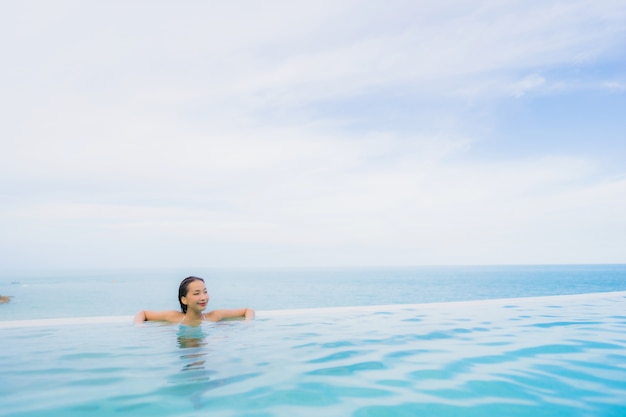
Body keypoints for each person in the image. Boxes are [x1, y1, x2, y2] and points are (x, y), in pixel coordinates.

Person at [134, 276, 255, 325]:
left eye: (205, 292)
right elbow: (142, 313)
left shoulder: (214, 316)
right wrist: (140, 327)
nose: (203, 297)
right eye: (197, 293)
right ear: (184, 300)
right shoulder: (174, 317)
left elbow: (248, 310)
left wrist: (247, 323)